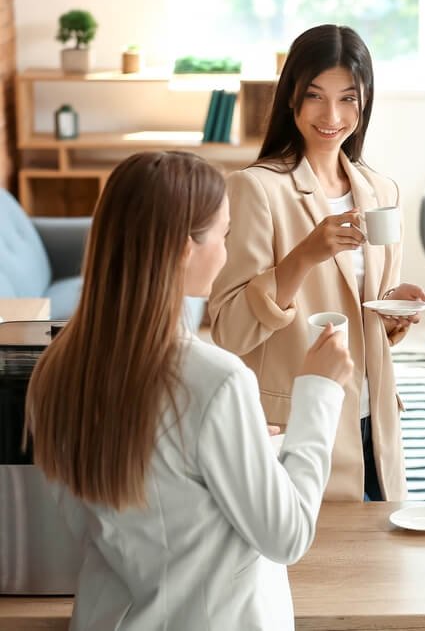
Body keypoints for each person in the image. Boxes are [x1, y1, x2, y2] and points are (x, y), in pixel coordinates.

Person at [26, 151, 352, 629]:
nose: (226, 250)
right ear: (184, 250)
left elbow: (110, 513)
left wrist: (237, 444)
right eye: (223, 234)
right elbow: (287, 536)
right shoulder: (215, 380)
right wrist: (318, 394)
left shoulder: (55, 370)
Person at [209, 24, 425, 502]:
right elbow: (230, 331)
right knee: (308, 571)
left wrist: (394, 312)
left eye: (348, 98)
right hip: (298, 425)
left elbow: (363, 312)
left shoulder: (381, 191)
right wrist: (305, 255)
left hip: (374, 422)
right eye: (315, 96)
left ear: (365, 102)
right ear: (290, 99)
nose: (332, 115)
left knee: (379, 570)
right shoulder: (255, 190)